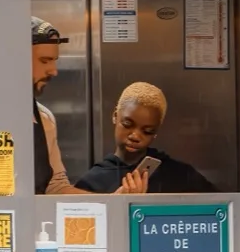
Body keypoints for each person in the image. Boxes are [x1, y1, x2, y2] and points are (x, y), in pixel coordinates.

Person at [76, 82, 216, 195]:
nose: (135, 136)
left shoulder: (182, 175)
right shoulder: (92, 181)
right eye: (127, 124)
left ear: (156, 131)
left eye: (148, 131)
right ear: (115, 116)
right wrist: (116, 203)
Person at [31, 18, 87, 195]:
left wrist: (113, 200)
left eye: (54, 61)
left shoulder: (44, 119)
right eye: (45, 61)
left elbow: (56, 187)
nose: (54, 71)